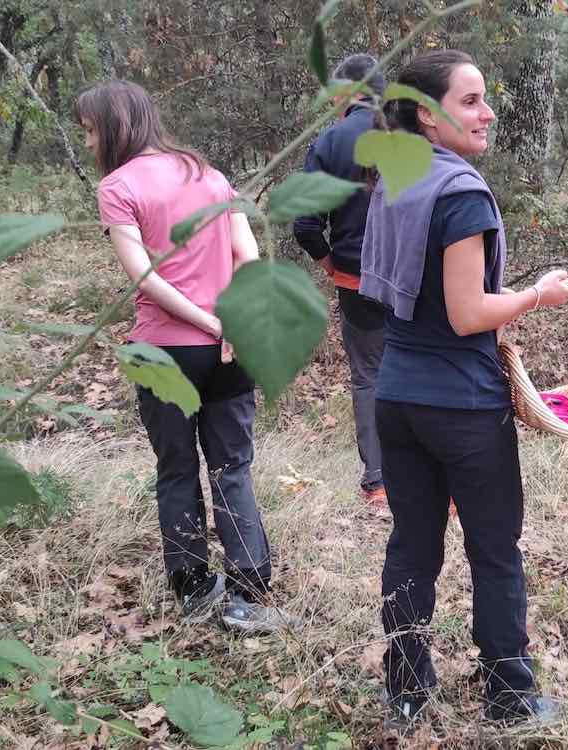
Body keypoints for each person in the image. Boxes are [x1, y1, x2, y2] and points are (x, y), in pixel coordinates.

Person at [359, 50, 568, 723]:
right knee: (493, 550)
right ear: (428, 115)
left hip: (396, 396)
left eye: (486, 99)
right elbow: (466, 313)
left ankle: (404, 687)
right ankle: (510, 697)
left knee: (412, 543)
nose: (486, 114)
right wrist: (535, 297)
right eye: (470, 100)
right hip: (462, 403)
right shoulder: (461, 194)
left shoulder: (396, 179)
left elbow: (398, 299)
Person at [75, 80, 294, 633]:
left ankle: (194, 589)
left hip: (163, 351)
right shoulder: (209, 174)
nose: (88, 143)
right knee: (232, 469)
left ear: (114, 126)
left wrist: (204, 321)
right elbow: (248, 252)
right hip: (230, 350)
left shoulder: (117, 186)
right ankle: (248, 596)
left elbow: (144, 277)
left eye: (90, 130)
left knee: (176, 470)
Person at [293, 54, 388, 507]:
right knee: (423, 367)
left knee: (369, 376)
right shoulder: (415, 133)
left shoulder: (331, 141)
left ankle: (379, 480)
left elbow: (305, 223)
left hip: (358, 284)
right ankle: (433, 477)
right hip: (417, 284)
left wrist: (332, 267)